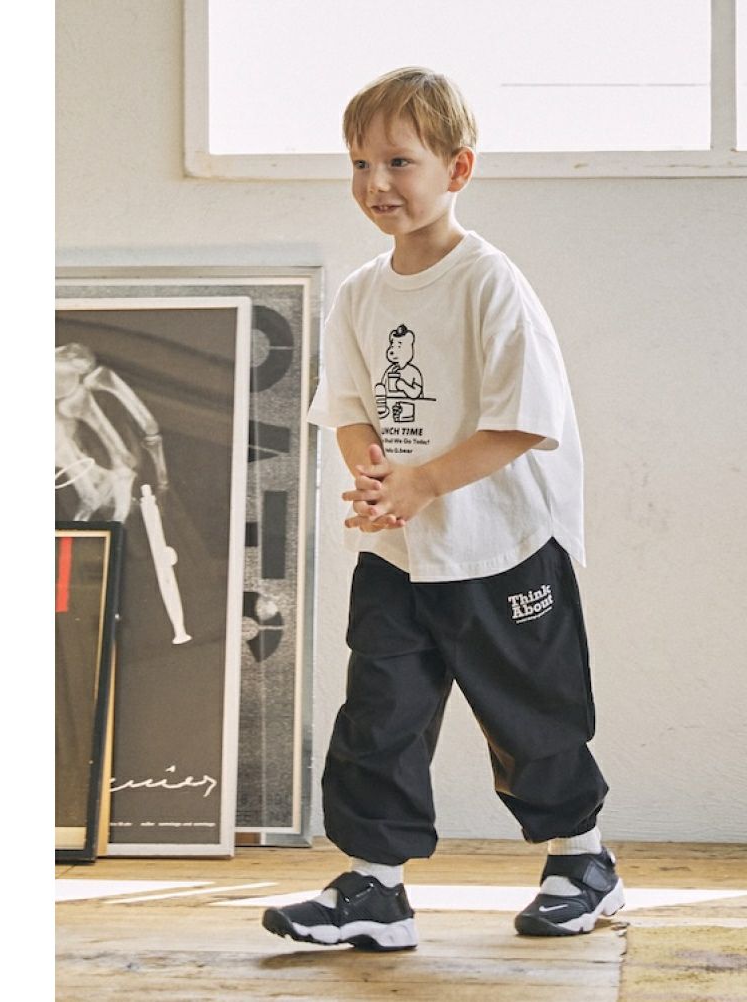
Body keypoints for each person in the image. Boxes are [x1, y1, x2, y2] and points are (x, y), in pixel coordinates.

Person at [262, 66, 624, 952]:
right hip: (399, 556)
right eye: (360, 163)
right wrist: (377, 480)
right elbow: (349, 406)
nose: (375, 183)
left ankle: (582, 862)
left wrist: (422, 483)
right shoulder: (360, 293)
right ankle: (374, 889)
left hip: (503, 547)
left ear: (458, 168)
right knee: (379, 714)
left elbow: (525, 421)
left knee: (530, 710)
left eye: (399, 161)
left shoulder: (488, 283)